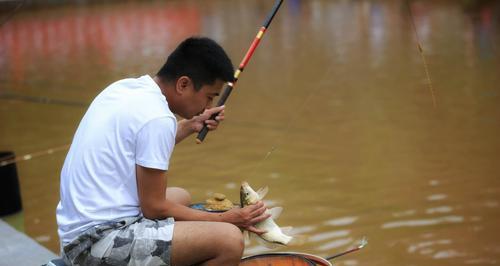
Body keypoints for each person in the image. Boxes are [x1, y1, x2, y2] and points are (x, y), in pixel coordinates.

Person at [56, 37, 270, 266]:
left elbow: (143, 143)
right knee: (229, 240)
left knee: (181, 196)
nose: (208, 107)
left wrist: (190, 126)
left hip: (74, 234)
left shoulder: (126, 88)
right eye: (209, 97)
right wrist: (227, 218)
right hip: (94, 247)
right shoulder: (157, 117)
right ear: (183, 84)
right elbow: (154, 208)